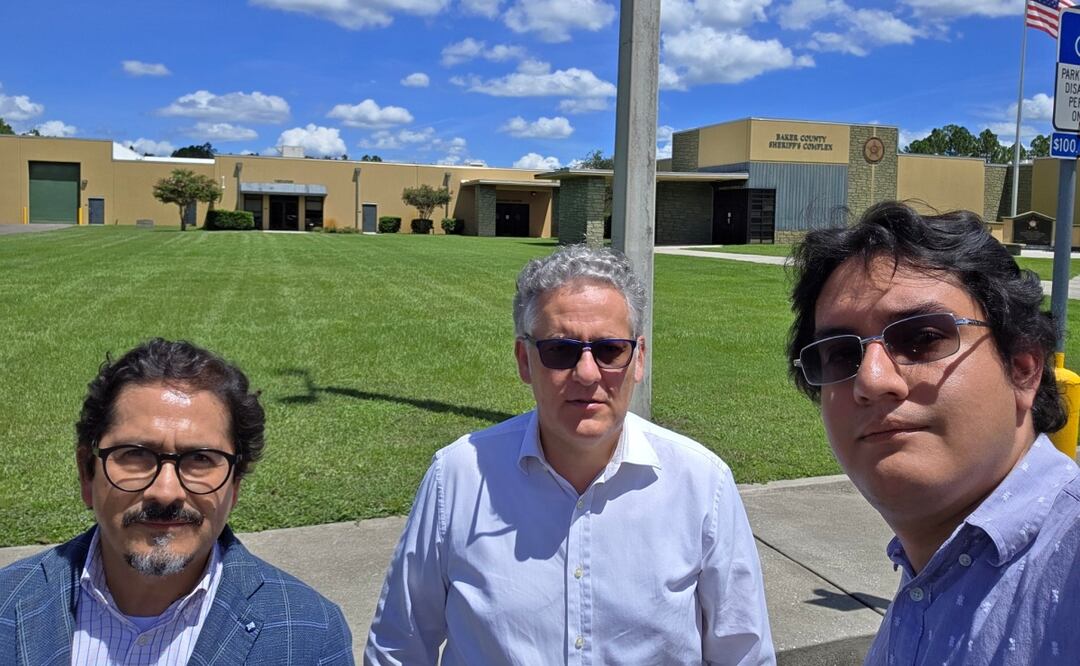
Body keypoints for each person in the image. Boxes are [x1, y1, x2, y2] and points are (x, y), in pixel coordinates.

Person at [366, 245, 773, 665]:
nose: (587, 373)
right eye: (560, 351)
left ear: (639, 359)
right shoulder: (456, 477)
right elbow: (398, 649)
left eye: (610, 350)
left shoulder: (702, 484)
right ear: (525, 361)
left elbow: (743, 655)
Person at [787, 201, 1080, 663]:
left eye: (922, 338)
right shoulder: (932, 572)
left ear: (1023, 367)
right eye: (843, 354)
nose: (872, 380)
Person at [0, 339, 353, 665]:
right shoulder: (7, 605)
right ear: (86, 473)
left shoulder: (311, 636)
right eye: (135, 454)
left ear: (235, 484)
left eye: (200, 458)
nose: (166, 491)